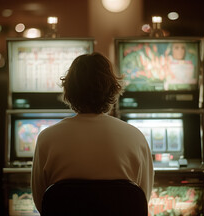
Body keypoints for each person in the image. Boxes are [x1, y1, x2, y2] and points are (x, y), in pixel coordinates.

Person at [31, 52, 154, 213]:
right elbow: (142, 199)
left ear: (69, 90)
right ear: (112, 89)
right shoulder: (135, 137)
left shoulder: (47, 138)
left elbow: (42, 204)